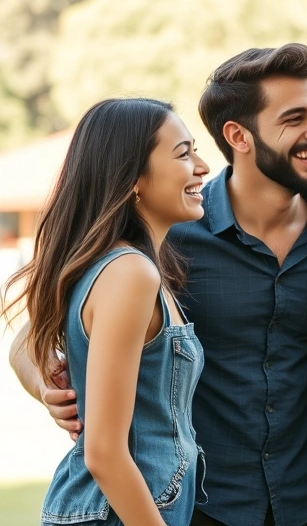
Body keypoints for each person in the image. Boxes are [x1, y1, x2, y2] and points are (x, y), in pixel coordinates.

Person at [9, 43, 307, 526]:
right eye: (295, 117)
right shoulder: (170, 232)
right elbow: (33, 338)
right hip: (190, 506)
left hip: (299, 504)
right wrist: (50, 384)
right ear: (238, 135)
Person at [1, 98, 211, 525]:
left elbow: (24, 343)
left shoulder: (121, 264)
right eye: (184, 153)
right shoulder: (129, 272)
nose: (203, 166)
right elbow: (104, 454)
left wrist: (47, 389)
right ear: (134, 178)